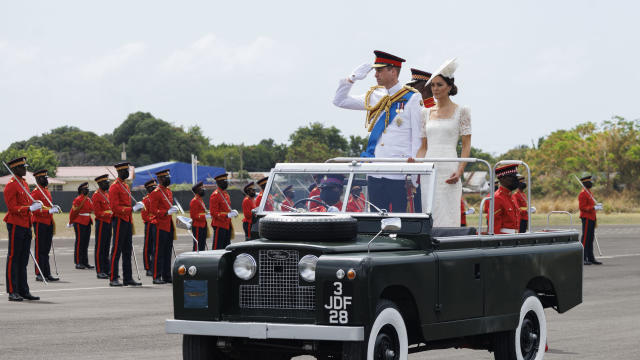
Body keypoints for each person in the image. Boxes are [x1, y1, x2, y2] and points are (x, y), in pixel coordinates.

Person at [333, 50, 423, 212]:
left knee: (400, 221)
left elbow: (417, 138)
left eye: (379, 70)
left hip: (399, 172)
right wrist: (351, 79)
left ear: (393, 71)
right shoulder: (374, 95)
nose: (375, 75)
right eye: (375, 70)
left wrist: (414, 175)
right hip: (374, 170)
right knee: (375, 220)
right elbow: (340, 101)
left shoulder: (412, 98)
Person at [415, 58, 471, 227]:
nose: (435, 89)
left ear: (449, 86)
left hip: (450, 166)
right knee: (429, 209)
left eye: (439, 85)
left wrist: (460, 170)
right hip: (429, 166)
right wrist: (416, 168)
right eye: (432, 85)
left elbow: (466, 144)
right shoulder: (425, 112)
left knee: (448, 211)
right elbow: (423, 147)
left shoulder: (462, 111)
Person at [4, 157, 41, 301]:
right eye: (22, 167)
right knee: (14, 258)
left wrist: (35, 204)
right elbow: (12, 208)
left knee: (24, 259)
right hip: (15, 224)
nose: (25, 169)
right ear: (15, 169)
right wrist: (29, 208)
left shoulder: (24, 184)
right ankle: (12, 291)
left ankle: (23, 290)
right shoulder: (11, 185)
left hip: (26, 224)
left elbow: (26, 202)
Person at [108, 162, 143, 287]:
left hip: (127, 220)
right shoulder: (114, 187)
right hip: (119, 220)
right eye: (125, 171)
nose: (127, 173)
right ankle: (113, 277)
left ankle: (128, 278)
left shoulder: (125, 186)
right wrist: (132, 209)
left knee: (127, 251)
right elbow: (115, 207)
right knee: (116, 250)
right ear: (120, 172)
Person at [31, 169, 60, 282]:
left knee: (46, 250)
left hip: (48, 222)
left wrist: (53, 209)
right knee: (40, 249)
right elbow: (35, 210)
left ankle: (47, 273)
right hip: (39, 222)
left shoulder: (46, 191)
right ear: (38, 179)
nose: (46, 179)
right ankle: (39, 273)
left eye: (46, 177)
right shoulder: (36, 192)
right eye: (44, 178)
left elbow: (48, 206)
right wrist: (48, 211)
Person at [149, 169, 177, 284]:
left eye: (168, 176)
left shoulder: (169, 191)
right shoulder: (156, 192)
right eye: (165, 177)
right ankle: (156, 276)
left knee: (167, 251)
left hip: (169, 224)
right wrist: (166, 212)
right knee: (158, 252)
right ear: (160, 179)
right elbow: (153, 210)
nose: (168, 179)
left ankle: (166, 275)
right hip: (160, 225)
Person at [488, 164, 520, 234]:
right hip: (503, 239)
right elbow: (494, 226)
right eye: (513, 177)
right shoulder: (497, 198)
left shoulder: (512, 196)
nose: (516, 180)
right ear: (502, 179)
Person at [92, 174, 112, 279]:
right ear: (100, 184)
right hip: (101, 223)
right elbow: (98, 213)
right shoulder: (96, 195)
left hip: (108, 223)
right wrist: (110, 213)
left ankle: (107, 269)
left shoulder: (107, 194)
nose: (108, 184)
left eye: (108, 182)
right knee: (100, 248)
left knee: (106, 247)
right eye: (105, 182)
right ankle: (100, 271)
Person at [579, 175, 603, 265]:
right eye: (589, 182)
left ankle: (591, 257)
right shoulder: (583, 193)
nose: (591, 183)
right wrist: (593, 207)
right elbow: (582, 207)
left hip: (592, 217)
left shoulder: (589, 192)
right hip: (586, 217)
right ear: (585, 183)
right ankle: (583, 258)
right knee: (585, 238)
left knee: (590, 238)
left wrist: (597, 207)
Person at [210, 173, 238, 249]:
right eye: (224, 181)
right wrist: (226, 215)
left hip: (227, 224)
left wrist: (232, 212)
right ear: (219, 182)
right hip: (219, 224)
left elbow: (227, 209)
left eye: (226, 180)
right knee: (217, 248)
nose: (226, 182)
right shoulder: (215, 195)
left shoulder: (225, 194)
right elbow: (213, 213)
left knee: (226, 248)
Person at [70, 182, 94, 270]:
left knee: (85, 243)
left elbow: (91, 209)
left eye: (87, 189)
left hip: (87, 221)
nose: (87, 190)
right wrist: (71, 221)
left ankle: (85, 261)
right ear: (81, 190)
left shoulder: (88, 199)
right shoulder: (78, 199)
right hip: (80, 222)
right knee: (80, 242)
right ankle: (78, 262)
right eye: (85, 189)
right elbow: (74, 211)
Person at [141, 179, 157, 276]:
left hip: (157, 224)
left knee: (156, 246)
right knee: (148, 247)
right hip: (150, 224)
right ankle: (148, 267)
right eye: (153, 187)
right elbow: (144, 215)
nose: (155, 189)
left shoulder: (156, 198)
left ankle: (154, 266)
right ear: (149, 188)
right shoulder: (146, 200)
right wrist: (152, 219)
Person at [189, 181, 210, 251]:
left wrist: (207, 214)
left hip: (203, 225)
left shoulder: (200, 199)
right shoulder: (194, 201)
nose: (203, 190)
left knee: (202, 246)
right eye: (202, 188)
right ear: (197, 190)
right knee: (197, 246)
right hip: (198, 226)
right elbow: (193, 215)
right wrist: (205, 216)